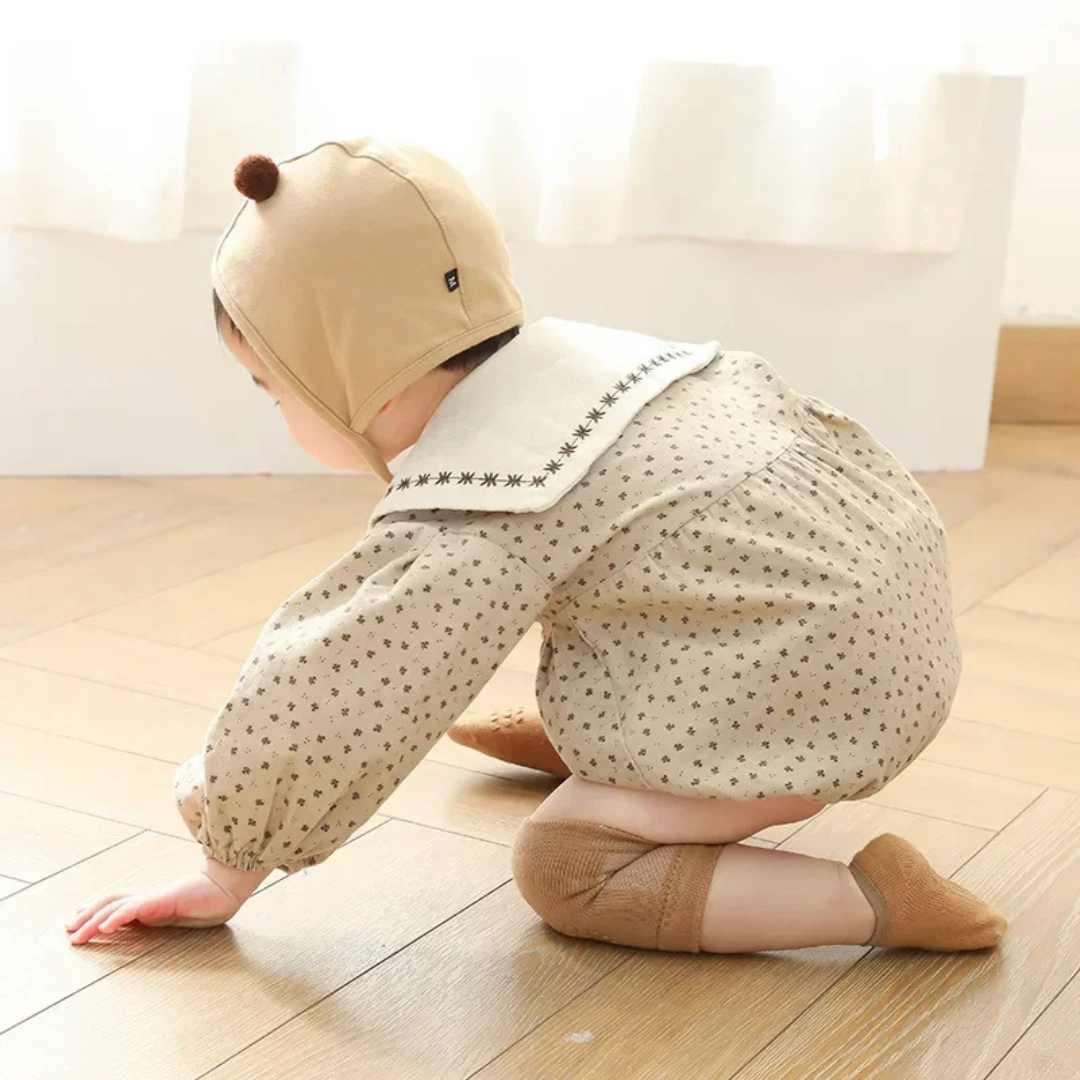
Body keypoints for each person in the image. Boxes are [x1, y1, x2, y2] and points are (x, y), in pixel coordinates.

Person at [67, 139, 1005, 954]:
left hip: (811, 706)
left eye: (274, 386)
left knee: (567, 870)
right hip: (895, 631)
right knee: (653, 563)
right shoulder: (607, 368)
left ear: (346, 368)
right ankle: (605, 737)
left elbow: (345, 675)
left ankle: (874, 901)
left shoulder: (490, 502)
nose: (277, 412)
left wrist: (228, 859)